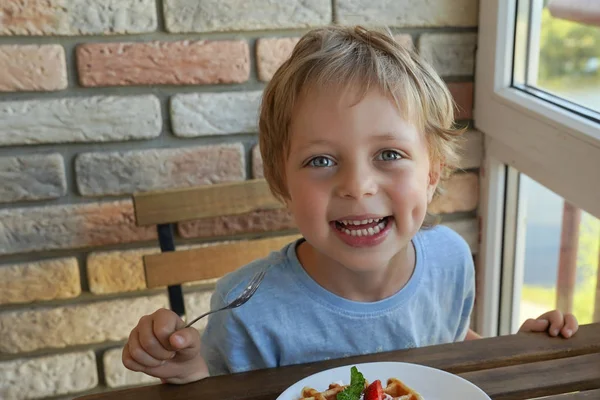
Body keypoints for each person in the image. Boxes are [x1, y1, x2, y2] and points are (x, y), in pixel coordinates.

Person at [122, 25, 579, 384]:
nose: (357, 186)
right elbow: (224, 388)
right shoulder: (247, 308)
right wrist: (188, 373)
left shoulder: (450, 259)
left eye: (389, 155)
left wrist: (508, 355)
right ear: (282, 181)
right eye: (321, 160)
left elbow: (449, 343)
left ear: (433, 172)